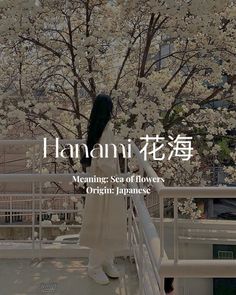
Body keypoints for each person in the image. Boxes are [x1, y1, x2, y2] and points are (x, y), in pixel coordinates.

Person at [79, 94, 128, 285]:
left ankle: (106, 262)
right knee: (103, 225)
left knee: (105, 224)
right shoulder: (105, 131)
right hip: (105, 185)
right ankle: (95, 267)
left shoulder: (96, 130)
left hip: (102, 185)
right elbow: (106, 162)